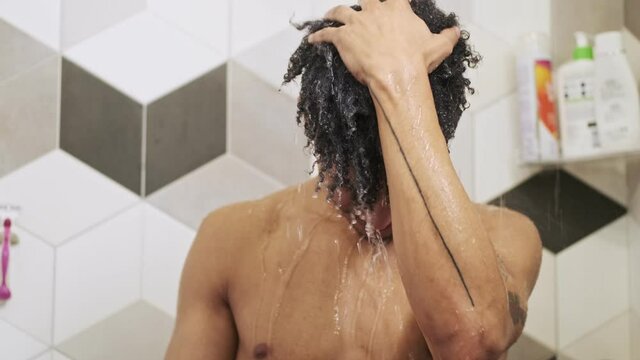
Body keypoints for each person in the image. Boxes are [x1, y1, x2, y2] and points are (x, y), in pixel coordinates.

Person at [166, 0, 542, 359]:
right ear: (317, 142)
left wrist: (399, 77)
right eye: (353, 191)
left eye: (394, 190)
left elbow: (471, 344)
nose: (377, 219)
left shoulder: (506, 237)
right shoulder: (231, 239)